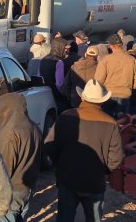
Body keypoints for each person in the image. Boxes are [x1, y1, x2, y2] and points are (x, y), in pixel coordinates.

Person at [44, 79, 124, 222]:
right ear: (102, 101)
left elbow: (49, 146)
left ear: (82, 98)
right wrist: (103, 171)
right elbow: (116, 158)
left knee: (64, 217)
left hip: (68, 179)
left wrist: (60, 164)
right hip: (94, 182)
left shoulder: (66, 116)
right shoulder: (111, 123)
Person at [0, 93, 42, 222]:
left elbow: (4, 169)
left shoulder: (9, 134)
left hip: (13, 189)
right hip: (28, 186)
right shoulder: (34, 127)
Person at [94, 34, 136, 117]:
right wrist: (128, 86)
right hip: (125, 96)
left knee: (108, 124)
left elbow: (98, 80)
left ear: (112, 46)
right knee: (123, 125)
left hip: (108, 96)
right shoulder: (132, 60)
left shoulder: (105, 60)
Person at [39, 38, 71, 111]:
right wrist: (65, 94)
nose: (66, 51)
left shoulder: (44, 59)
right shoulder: (59, 62)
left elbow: (39, 76)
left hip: (45, 94)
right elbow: (59, 84)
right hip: (55, 96)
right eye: (65, 48)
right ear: (60, 47)